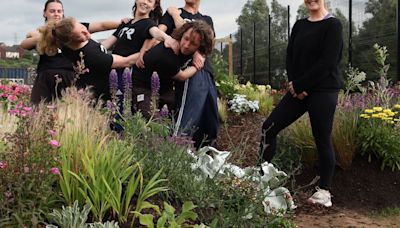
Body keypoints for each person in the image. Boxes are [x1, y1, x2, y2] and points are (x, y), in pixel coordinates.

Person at [259, 0, 343, 207]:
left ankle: (324, 191)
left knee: (321, 138)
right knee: (268, 127)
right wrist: (295, 84)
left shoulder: (333, 25)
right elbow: (290, 56)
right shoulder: (299, 25)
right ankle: (261, 178)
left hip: (324, 90)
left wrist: (303, 84)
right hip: (298, 91)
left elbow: (328, 62)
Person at [20, 0, 127, 104]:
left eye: (59, 11)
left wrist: (121, 23)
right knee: (39, 112)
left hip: (68, 76)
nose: (56, 14)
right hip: (46, 76)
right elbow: (24, 44)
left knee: (68, 112)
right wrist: (47, 36)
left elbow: (101, 25)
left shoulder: (74, 29)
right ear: (45, 13)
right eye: (52, 11)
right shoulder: (41, 33)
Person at [153, 0, 219, 149]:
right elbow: (158, 35)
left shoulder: (206, 19)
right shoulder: (173, 13)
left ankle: (203, 157)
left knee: (211, 121)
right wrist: (175, 16)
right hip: (189, 71)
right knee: (187, 118)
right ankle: (174, 154)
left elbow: (210, 44)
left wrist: (201, 54)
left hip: (206, 72)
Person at [100, 0, 178, 118]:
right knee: (109, 106)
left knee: (122, 109)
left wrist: (167, 38)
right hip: (112, 69)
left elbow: (155, 32)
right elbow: (106, 44)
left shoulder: (148, 23)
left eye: (150, 1)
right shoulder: (125, 24)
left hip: (128, 72)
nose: (145, 2)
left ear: (154, 6)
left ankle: (121, 135)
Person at [37, 17, 139, 101]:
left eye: (82, 27)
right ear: (71, 40)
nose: (85, 31)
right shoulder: (91, 56)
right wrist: (147, 49)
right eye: (81, 34)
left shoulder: (69, 37)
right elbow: (127, 61)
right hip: (99, 97)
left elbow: (101, 42)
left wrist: (121, 25)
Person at [132, 21, 214, 119]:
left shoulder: (192, 50)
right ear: (182, 34)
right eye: (186, 39)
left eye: (193, 43)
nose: (186, 45)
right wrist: (197, 66)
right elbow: (182, 76)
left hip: (164, 87)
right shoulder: (168, 55)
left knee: (175, 115)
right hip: (142, 86)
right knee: (152, 120)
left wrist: (199, 54)